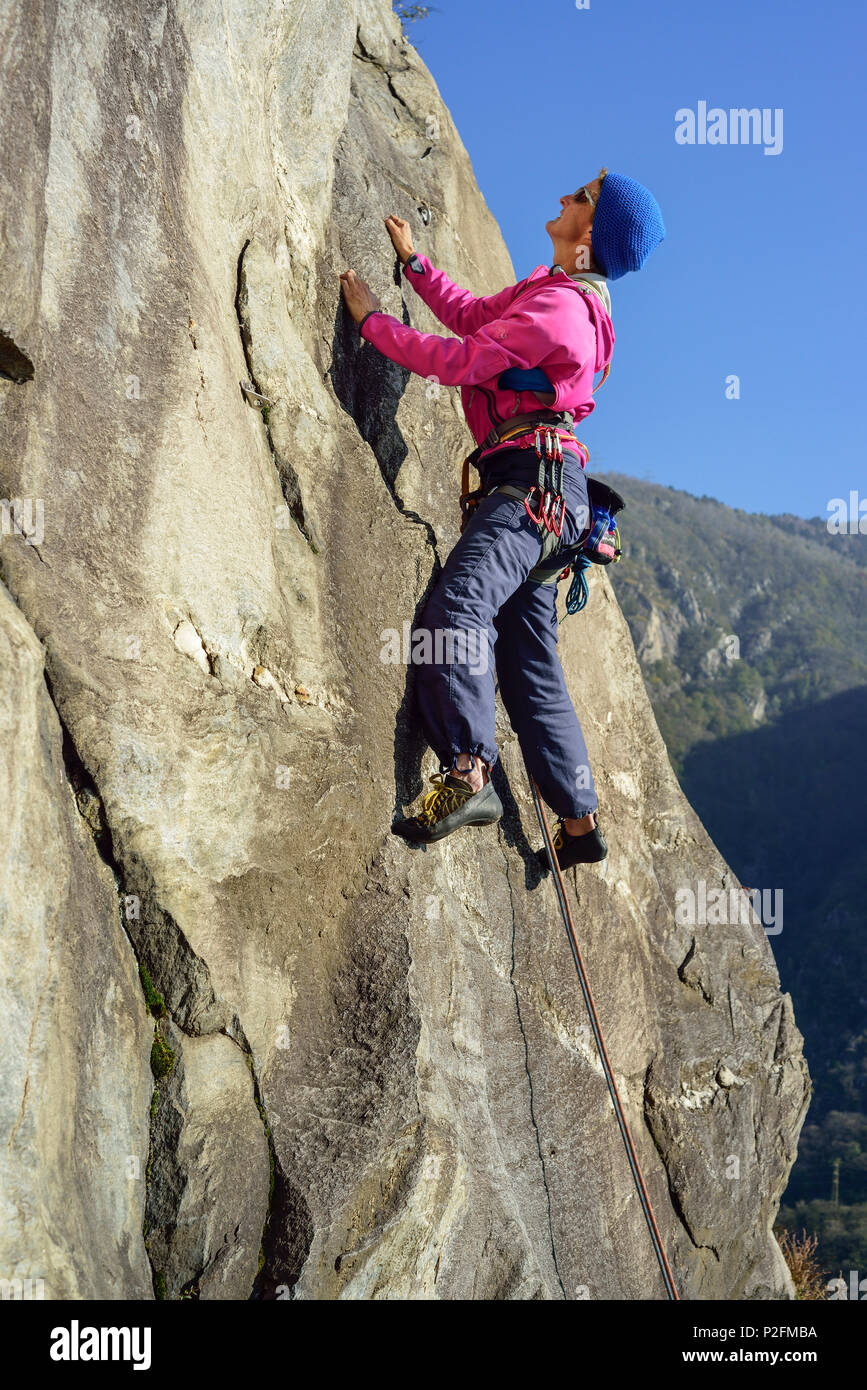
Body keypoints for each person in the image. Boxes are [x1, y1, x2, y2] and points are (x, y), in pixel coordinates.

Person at [339, 170, 664, 869]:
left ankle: (467, 773)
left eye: (577, 197)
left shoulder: (561, 313)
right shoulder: (554, 297)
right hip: (549, 495)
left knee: (457, 607)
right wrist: (416, 267)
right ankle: (579, 825)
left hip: (531, 488)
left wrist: (372, 324)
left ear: (590, 231)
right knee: (528, 664)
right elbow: (470, 317)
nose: (559, 198)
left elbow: (459, 360)